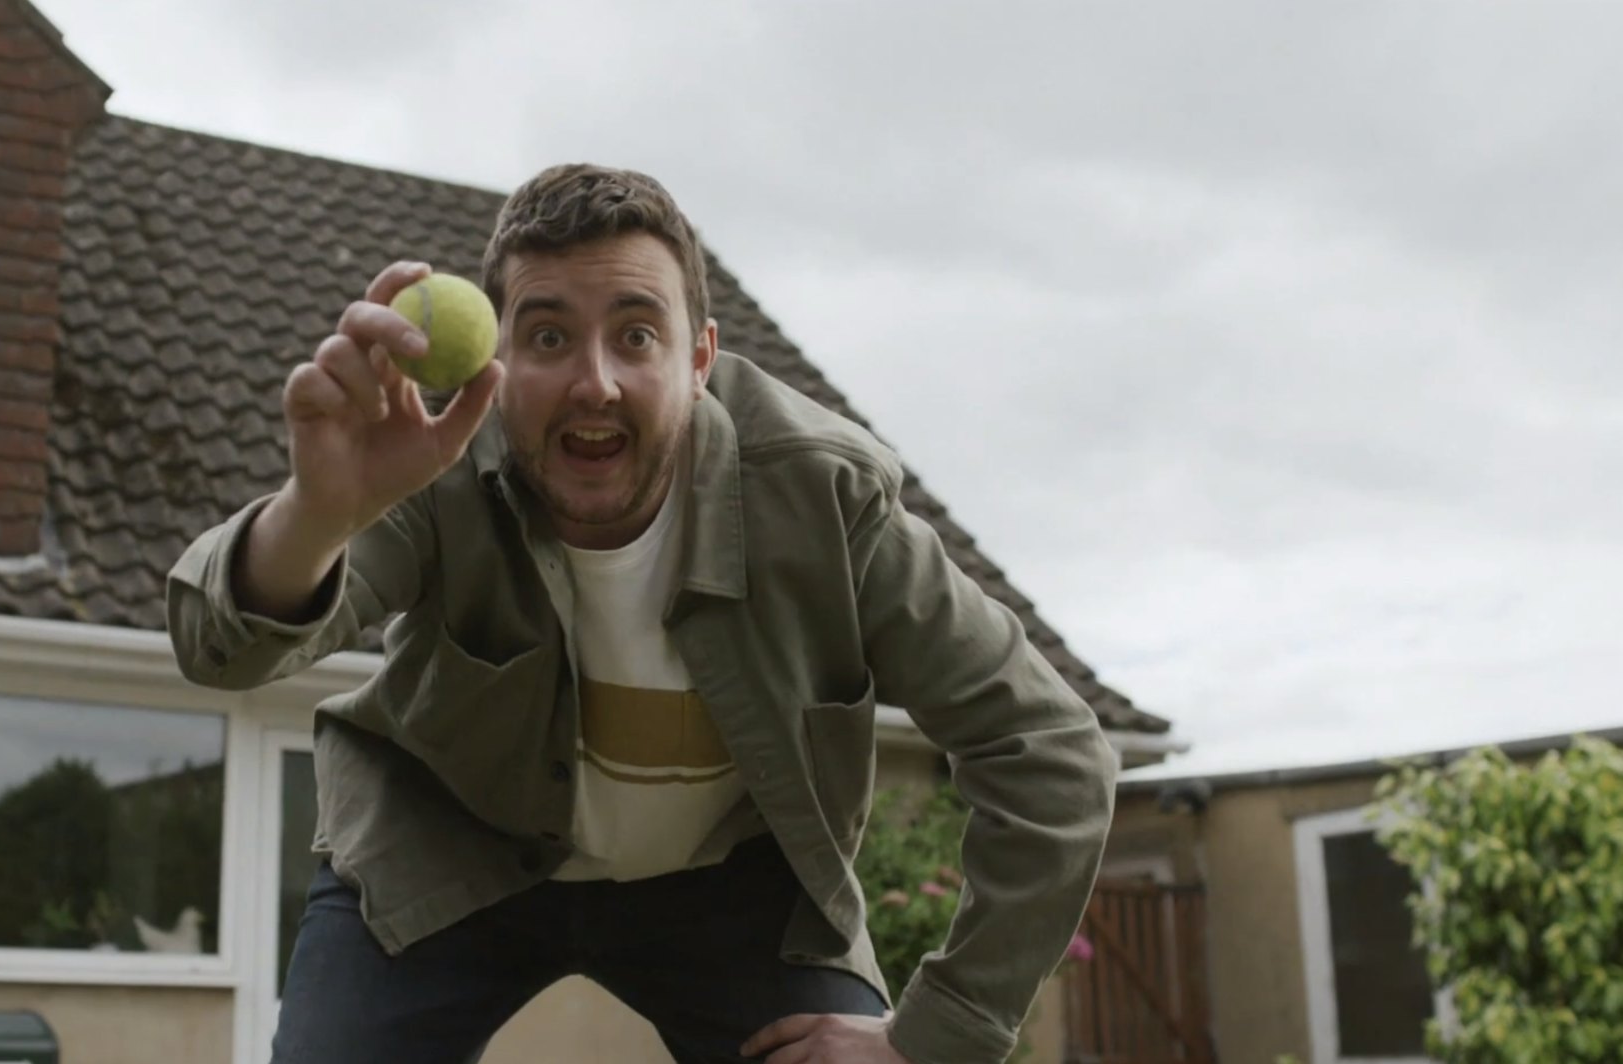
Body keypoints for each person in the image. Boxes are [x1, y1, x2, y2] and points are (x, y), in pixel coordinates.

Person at [166, 163, 1118, 1064]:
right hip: (442, 847)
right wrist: (318, 517)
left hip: (728, 884)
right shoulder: (430, 457)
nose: (595, 382)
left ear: (699, 359)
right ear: (496, 359)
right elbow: (219, 653)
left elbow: (1051, 753)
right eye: (546, 336)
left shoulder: (825, 498)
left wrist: (935, 1034)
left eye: (635, 334)